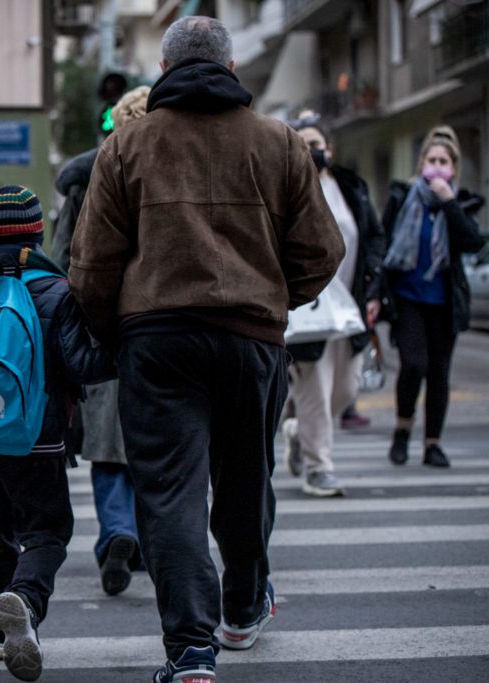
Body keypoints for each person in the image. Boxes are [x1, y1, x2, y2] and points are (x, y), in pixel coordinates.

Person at [69, 16, 344, 682]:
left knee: (170, 492)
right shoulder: (279, 143)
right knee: (247, 477)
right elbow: (324, 250)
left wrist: (114, 333)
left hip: (158, 341)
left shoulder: (127, 146)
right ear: (231, 70)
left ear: (162, 69)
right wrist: (274, 300)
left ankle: (192, 650)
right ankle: (244, 606)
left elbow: (92, 266)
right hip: (251, 337)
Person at [0, 186, 114, 682]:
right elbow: (81, 366)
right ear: (38, 233)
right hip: (36, 437)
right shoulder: (57, 290)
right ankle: (24, 599)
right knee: (47, 530)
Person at [56, 86, 153, 596]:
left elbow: (63, 262)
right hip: (162, 328)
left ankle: (117, 531)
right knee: (158, 449)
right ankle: (149, 541)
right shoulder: (167, 171)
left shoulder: (85, 182)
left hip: (104, 331)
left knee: (108, 450)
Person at [282, 111, 386, 497]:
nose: (311, 151)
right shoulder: (286, 188)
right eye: (303, 145)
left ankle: (296, 428)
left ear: (330, 148)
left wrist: (374, 288)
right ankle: (318, 468)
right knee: (316, 391)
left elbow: (373, 237)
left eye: (316, 145)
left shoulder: (351, 187)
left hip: (349, 308)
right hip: (307, 309)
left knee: (346, 389)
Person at [380, 126, 485, 468]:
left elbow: (473, 241)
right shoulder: (402, 198)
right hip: (408, 298)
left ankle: (432, 444)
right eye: (432, 160)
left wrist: (449, 202)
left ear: (453, 167)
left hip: (444, 303)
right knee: (413, 365)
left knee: (439, 373)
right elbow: (383, 246)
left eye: (444, 161)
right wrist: (375, 294)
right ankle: (401, 431)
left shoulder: (460, 202)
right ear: (420, 162)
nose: (437, 166)